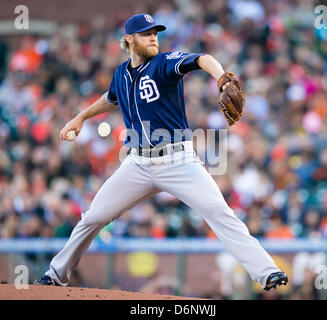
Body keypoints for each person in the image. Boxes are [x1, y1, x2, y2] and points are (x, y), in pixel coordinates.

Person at [34, 13, 288, 291]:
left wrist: (223, 80)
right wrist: (80, 118)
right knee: (93, 217)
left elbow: (202, 58)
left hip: (177, 160)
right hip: (137, 163)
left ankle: (267, 272)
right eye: (146, 33)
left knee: (218, 211)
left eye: (155, 32)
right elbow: (110, 99)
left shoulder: (164, 63)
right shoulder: (120, 73)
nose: (153, 37)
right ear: (129, 39)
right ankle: (54, 275)